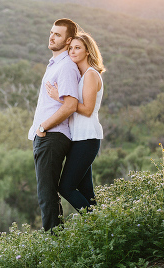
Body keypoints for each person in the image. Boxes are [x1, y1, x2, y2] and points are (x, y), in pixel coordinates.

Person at [27, 18, 81, 232]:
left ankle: (54, 245)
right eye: (51, 32)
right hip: (47, 136)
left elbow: (70, 106)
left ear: (69, 41)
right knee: (47, 193)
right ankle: (56, 241)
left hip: (52, 136)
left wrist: (43, 127)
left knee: (46, 195)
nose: (51, 36)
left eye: (57, 34)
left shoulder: (66, 66)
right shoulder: (55, 65)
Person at [45, 32, 104, 214]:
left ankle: (98, 224)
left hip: (87, 137)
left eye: (77, 48)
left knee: (66, 187)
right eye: (70, 48)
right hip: (78, 138)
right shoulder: (80, 76)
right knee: (87, 191)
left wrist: (61, 98)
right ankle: (101, 231)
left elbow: (87, 109)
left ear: (88, 51)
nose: (72, 51)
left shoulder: (91, 75)